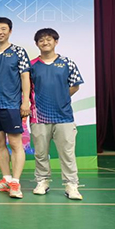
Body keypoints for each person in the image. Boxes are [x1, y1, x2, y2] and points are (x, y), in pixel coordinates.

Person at [29, 28, 84, 200]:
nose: (45, 42)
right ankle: (42, 181)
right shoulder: (31, 65)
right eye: (41, 40)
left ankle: (71, 185)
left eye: (48, 39)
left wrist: (60, 97)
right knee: (40, 152)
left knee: (67, 153)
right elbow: (26, 88)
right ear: (37, 44)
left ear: (56, 41)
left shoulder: (67, 63)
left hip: (64, 116)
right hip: (39, 116)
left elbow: (75, 85)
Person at [0, 17, 31, 199]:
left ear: (10, 31)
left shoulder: (18, 52)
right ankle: (6, 178)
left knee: (15, 143)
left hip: (12, 105)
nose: (0, 32)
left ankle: (15, 182)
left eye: (3, 29)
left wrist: (25, 101)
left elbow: (25, 77)